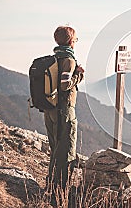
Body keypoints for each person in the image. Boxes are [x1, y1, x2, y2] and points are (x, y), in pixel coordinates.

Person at [44, 26, 84, 205]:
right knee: (66, 151)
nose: (75, 43)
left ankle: (50, 187)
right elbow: (64, 85)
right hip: (65, 110)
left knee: (55, 149)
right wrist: (79, 75)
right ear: (70, 41)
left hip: (50, 109)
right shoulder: (68, 59)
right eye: (75, 40)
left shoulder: (53, 59)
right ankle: (59, 193)